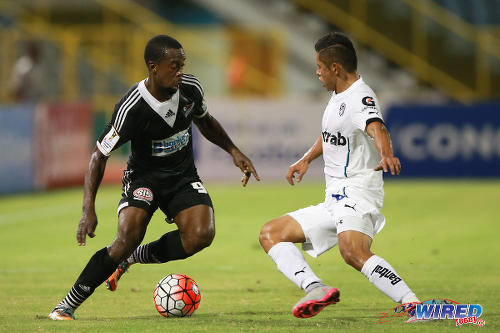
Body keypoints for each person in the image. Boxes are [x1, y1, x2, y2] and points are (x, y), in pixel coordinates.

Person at [49, 34, 259, 320]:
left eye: (182, 65)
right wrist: (88, 209)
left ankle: (133, 258)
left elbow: (205, 121)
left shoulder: (190, 88)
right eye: (174, 66)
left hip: (182, 176)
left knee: (201, 235)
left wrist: (233, 150)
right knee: (126, 237)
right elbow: (99, 155)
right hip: (144, 178)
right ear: (153, 67)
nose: (180, 71)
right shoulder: (132, 107)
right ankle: (66, 305)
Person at [259, 32, 422, 322]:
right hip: (334, 198)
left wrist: (385, 153)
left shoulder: (361, 96)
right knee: (272, 233)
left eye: (320, 67)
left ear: (335, 68)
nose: (317, 72)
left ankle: (416, 306)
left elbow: (377, 127)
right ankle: (315, 288)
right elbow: (331, 135)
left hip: (358, 192)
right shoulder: (338, 97)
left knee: (353, 252)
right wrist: (306, 159)